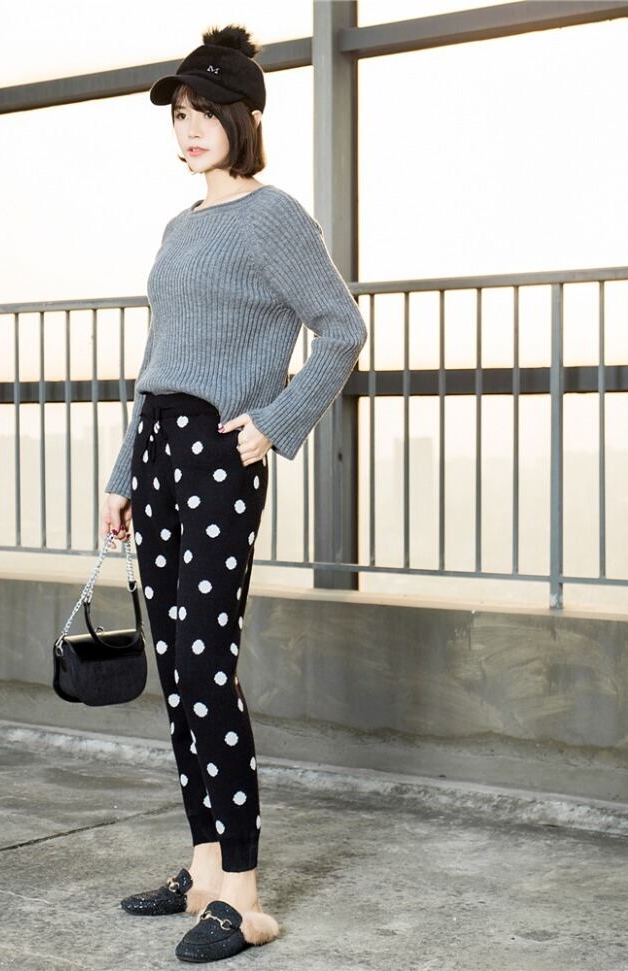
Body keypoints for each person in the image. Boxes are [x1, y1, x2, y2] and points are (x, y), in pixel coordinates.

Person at [98, 23, 367, 964]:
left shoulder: (275, 218)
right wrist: (124, 472)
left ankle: (245, 898)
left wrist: (273, 423)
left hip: (219, 454)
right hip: (160, 449)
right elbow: (158, 359)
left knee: (208, 662)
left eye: (206, 112)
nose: (189, 128)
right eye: (179, 113)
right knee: (178, 667)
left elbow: (341, 329)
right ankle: (204, 867)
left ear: (244, 117)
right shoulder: (181, 227)